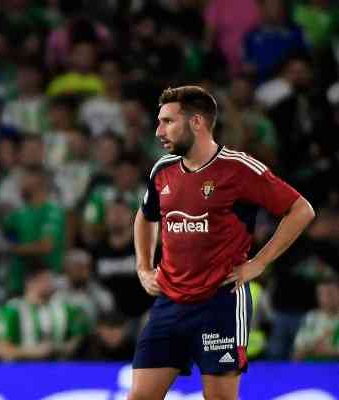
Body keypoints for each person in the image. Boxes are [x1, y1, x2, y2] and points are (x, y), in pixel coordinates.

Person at [130, 86, 315, 400]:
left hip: (220, 302)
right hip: (169, 302)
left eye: (168, 121)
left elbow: (301, 210)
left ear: (197, 122)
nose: (159, 131)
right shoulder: (163, 169)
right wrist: (143, 267)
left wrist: (259, 262)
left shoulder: (239, 168)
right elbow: (146, 215)